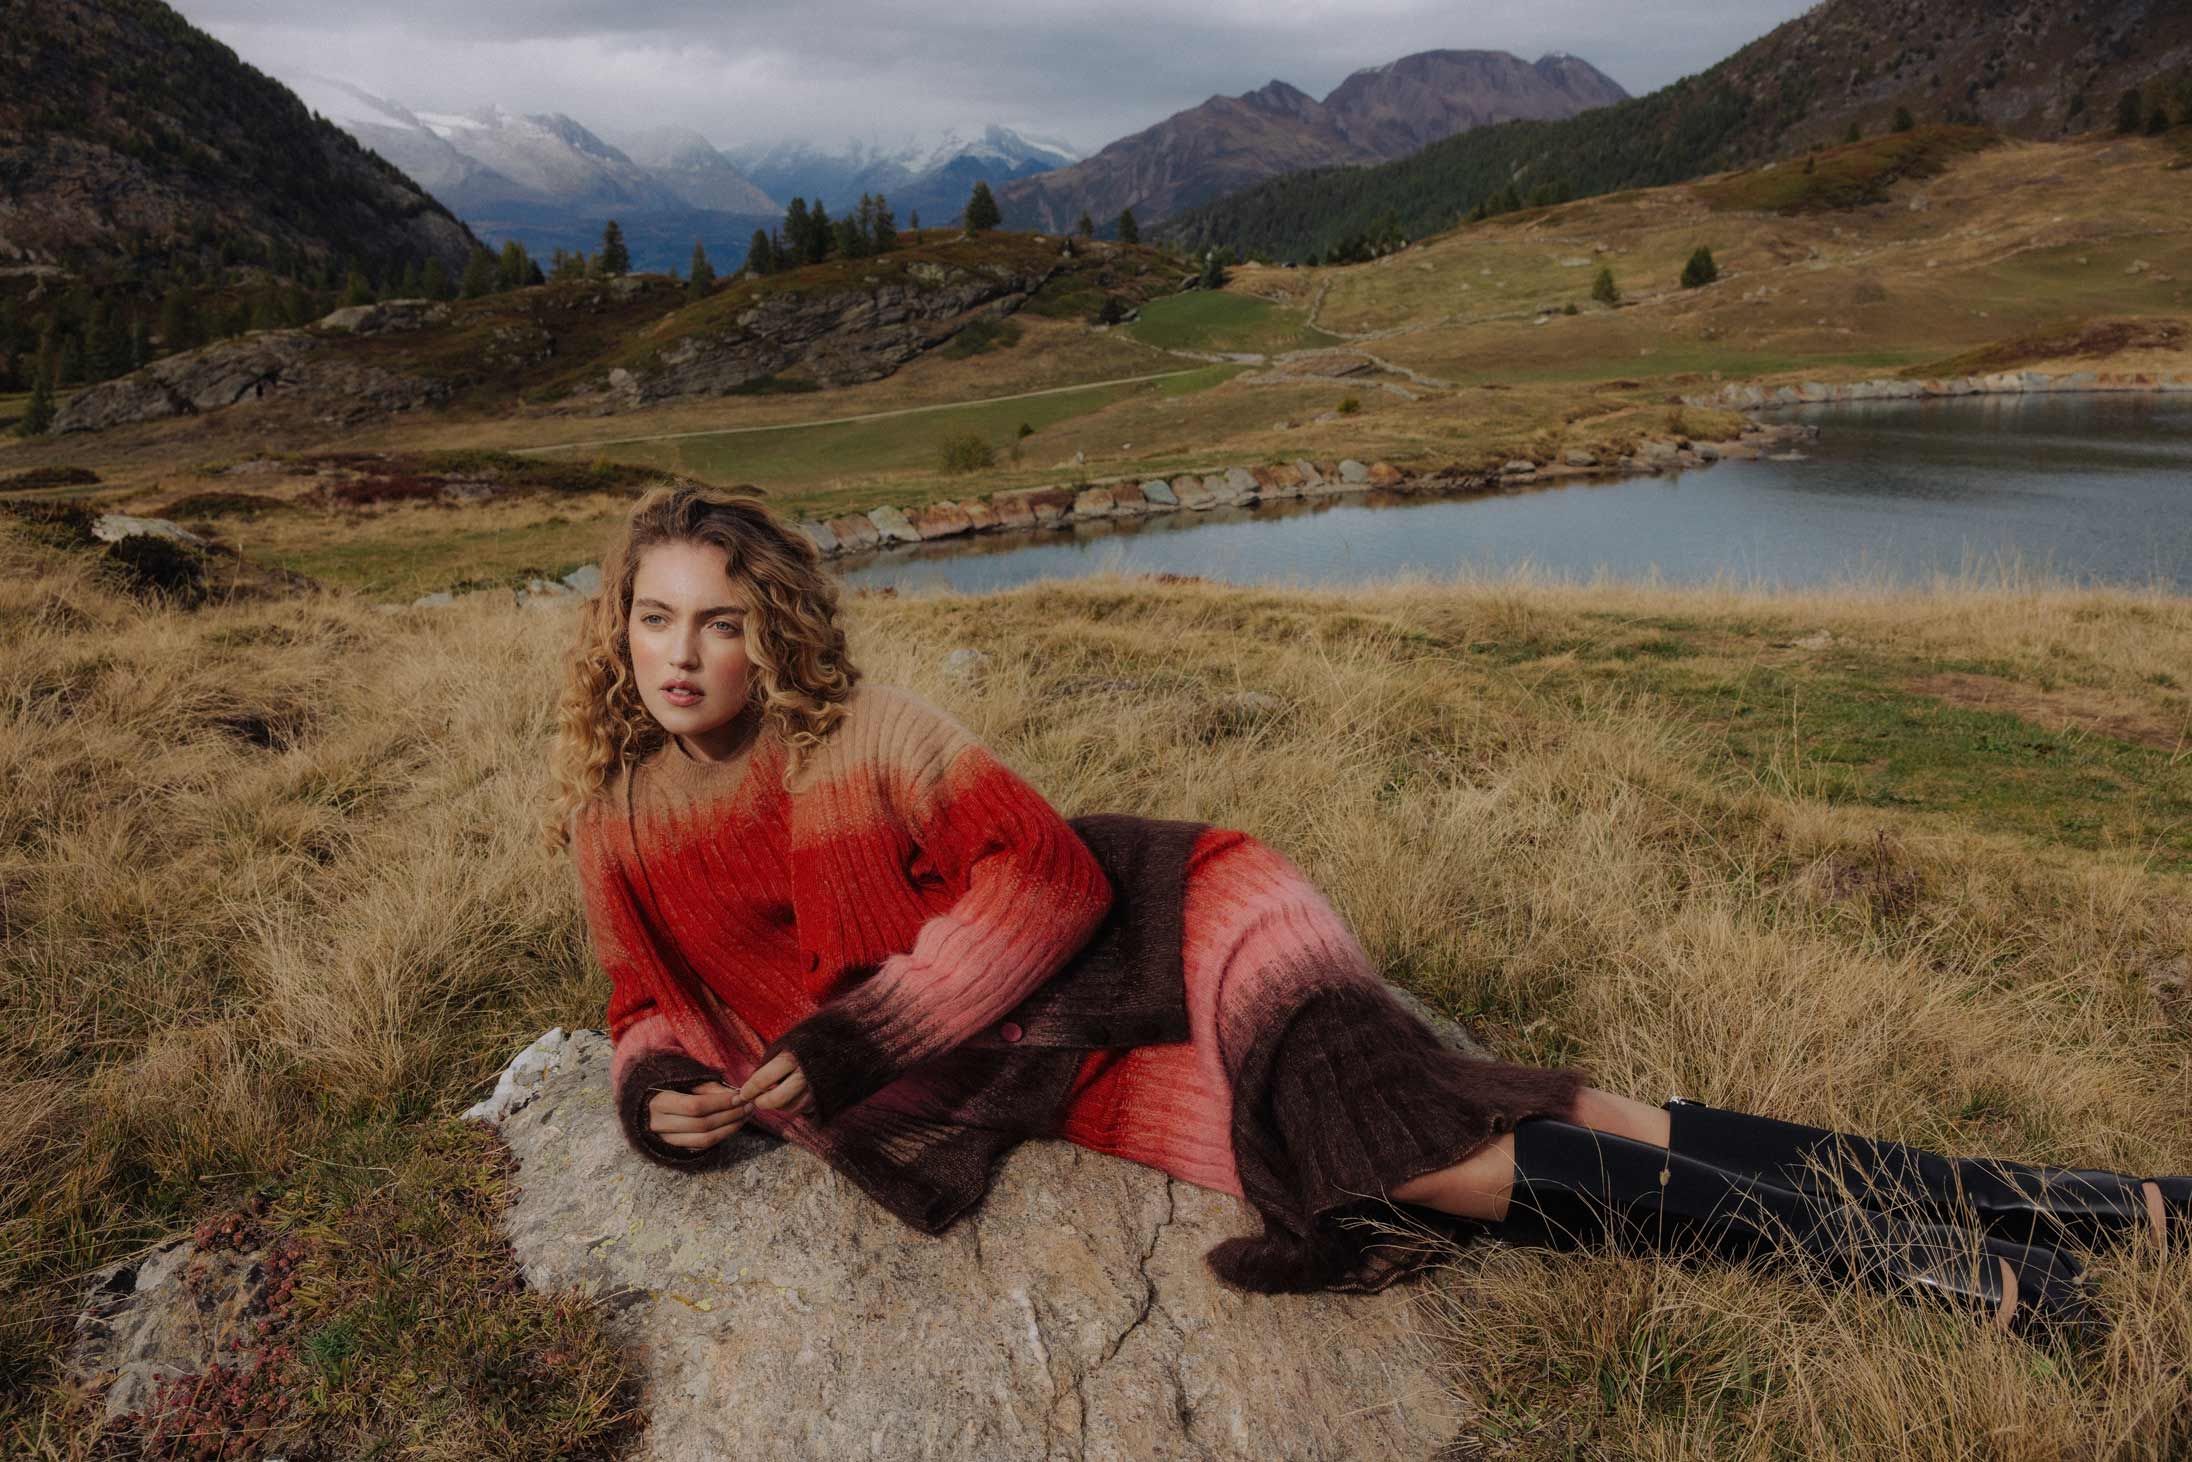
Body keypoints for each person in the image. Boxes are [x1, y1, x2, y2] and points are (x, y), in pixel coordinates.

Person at [545, 482, 2186, 1340]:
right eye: (656, 620)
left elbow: (1048, 878)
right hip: (1064, 1067)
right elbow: (642, 1000)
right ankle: (2086, 1202)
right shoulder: (613, 822)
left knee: (1421, 1150)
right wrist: (654, 1088)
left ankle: (1952, 1268)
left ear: (776, 632)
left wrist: (856, 1037)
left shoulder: (871, 733)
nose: (684, 654)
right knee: (1516, 1126)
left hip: (1175, 925)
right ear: (620, 630)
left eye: (722, 621)